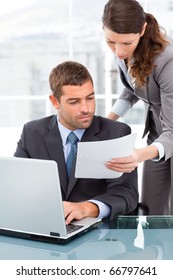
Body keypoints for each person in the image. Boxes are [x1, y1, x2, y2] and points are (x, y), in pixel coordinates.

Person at [14, 60, 138, 224]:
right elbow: (17, 186)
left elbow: (126, 193)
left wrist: (87, 208)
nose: (86, 109)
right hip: (46, 226)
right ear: (55, 102)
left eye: (90, 98)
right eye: (74, 102)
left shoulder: (116, 133)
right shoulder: (32, 133)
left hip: (99, 233)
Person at [102, 0, 173, 215]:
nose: (118, 51)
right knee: (151, 210)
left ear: (142, 30)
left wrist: (138, 155)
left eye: (126, 43)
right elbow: (133, 87)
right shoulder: (121, 47)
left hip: (171, 130)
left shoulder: (167, 61)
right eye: (111, 41)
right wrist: (106, 122)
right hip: (158, 134)